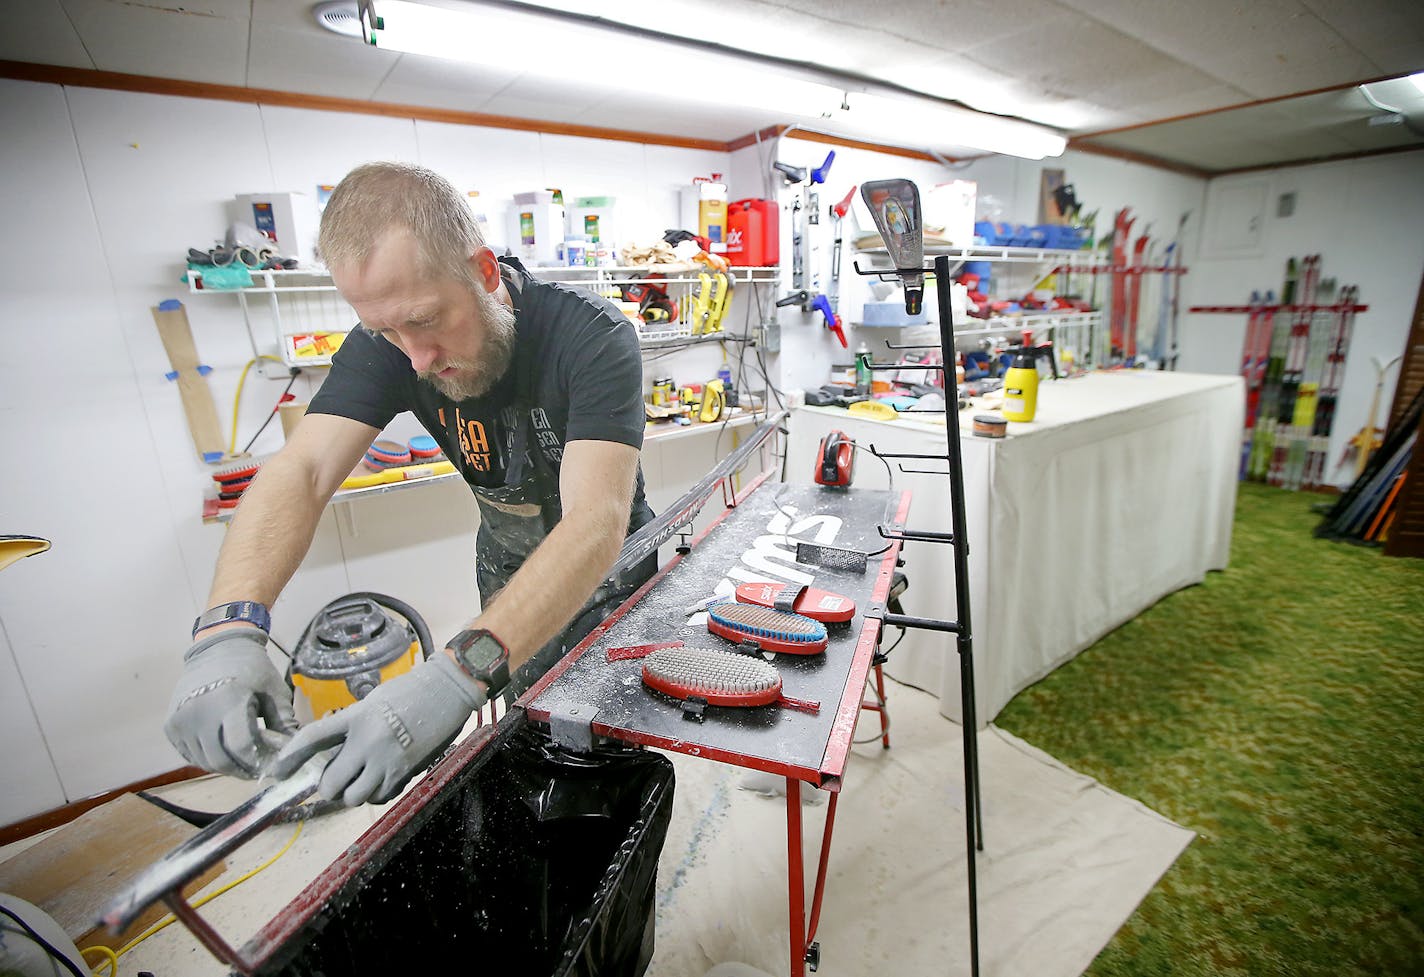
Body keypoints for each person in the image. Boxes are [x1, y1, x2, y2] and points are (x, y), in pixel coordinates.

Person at [165, 162, 656, 807]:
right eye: (387, 331)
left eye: (426, 320)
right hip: (506, 564)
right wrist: (226, 629)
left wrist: (454, 674)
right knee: (525, 745)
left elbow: (594, 523)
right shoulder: (394, 341)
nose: (415, 357)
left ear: (484, 272)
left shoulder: (589, 335)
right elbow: (304, 471)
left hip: (608, 574)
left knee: (606, 773)